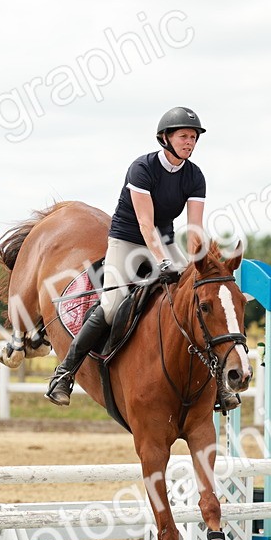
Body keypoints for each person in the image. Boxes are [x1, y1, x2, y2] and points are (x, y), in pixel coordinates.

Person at [46, 106, 208, 405]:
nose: (190, 142)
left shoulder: (195, 176)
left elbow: (195, 229)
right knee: (111, 305)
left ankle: (215, 384)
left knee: (196, 295)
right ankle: (64, 373)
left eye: (194, 137)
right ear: (165, 138)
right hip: (127, 241)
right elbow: (146, 225)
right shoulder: (142, 168)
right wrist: (163, 262)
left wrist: (201, 264)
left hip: (166, 240)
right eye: (184, 136)